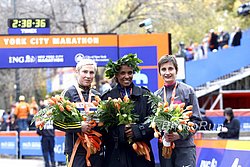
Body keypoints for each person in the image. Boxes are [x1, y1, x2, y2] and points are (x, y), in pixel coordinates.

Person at [101, 54, 155, 167]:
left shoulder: (145, 95)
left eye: (130, 73)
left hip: (141, 156)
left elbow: (154, 121)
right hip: (116, 157)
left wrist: (137, 130)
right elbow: (103, 129)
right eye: (122, 73)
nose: (127, 76)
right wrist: (122, 132)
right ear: (116, 75)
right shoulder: (107, 98)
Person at [54, 59, 103, 167]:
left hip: (95, 149)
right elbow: (55, 122)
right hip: (75, 151)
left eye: (91, 72)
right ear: (77, 72)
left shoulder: (97, 95)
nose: (88, 76)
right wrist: (78, 126)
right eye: (84, 72)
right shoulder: (68, 93)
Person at [154, 54, 201, 167]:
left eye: (170, 68)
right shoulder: (156, 96)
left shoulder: (188, 91)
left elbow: (197, 121)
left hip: (185, 149)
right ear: (160, 72)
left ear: (176, 70)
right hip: (165, 149)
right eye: (163, 69)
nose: (167, 72)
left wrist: (179, 135)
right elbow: (153, 123)